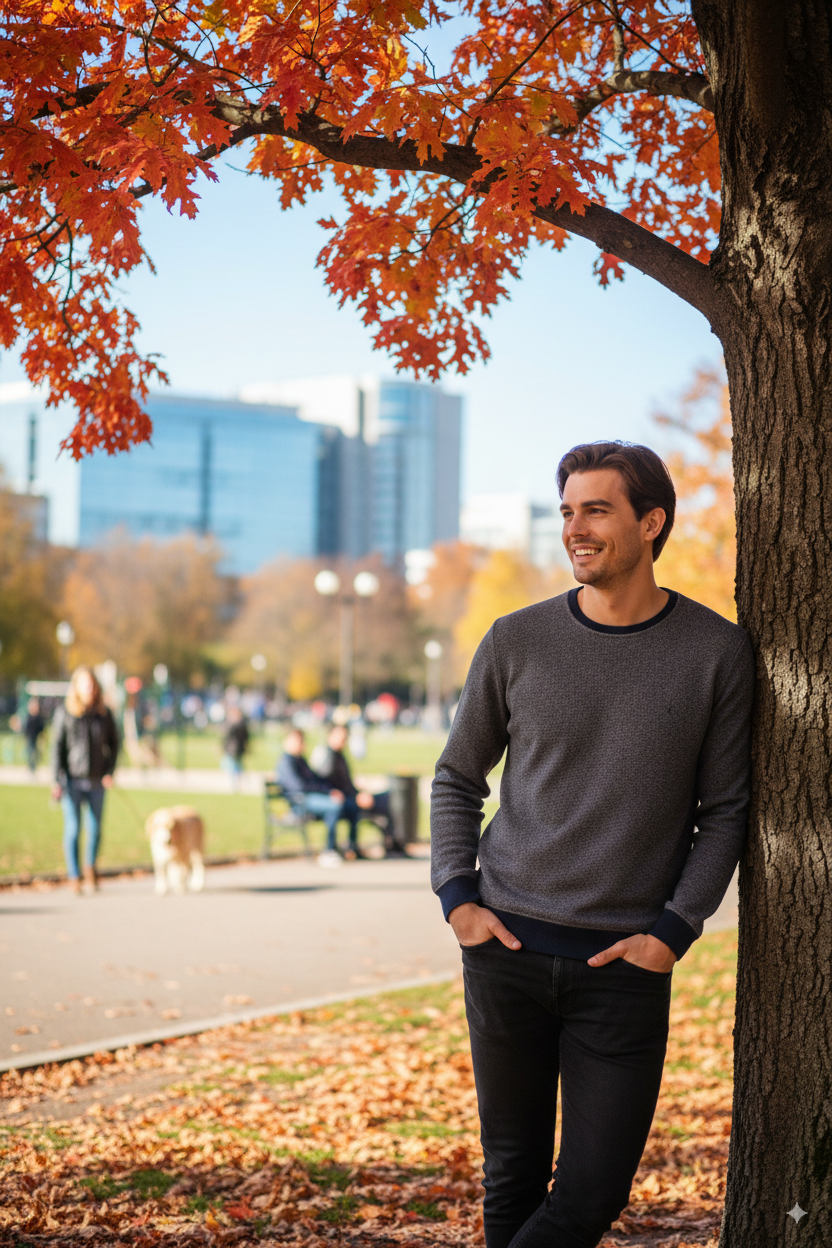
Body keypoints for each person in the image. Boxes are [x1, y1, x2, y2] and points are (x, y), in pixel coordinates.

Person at [431, 441, 755, 1248]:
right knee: (510, 1178)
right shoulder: (516, 639)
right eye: (569, 510)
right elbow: (455, 778)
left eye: (597, 510)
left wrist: (675, 929)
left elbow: (726, 810)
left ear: (652, 522)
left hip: (623, 968)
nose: (575, 528)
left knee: (589, 1195)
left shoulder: (716, 652)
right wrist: (457, 898)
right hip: (503, 949)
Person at [51, 667, 120, 896]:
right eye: (84, 683)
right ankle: (74, 875)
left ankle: (90, 868)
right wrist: (56, 779)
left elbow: (114, 744)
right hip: (71, 780)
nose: (89, 688)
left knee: (96, 829)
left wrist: (110, 770)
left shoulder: (104, 713)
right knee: (73, 829)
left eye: (92, 684)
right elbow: (56, 748)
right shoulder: (66, 712)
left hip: (97, 780)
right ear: (76, 687)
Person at [276, 728, 356, 866]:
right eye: (297, 741)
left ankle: (348, 847)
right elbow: (299, 786)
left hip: (308, 799)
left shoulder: (300, 760)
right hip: (300, 803)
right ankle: (328, 850)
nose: (300, 745)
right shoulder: (286, 762)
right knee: (334, 806)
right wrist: (326, 793)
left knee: (349, 805)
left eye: (301, 741)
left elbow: (315, 779)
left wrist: (331, 791)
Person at [310, 724, 391, 859]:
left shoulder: (340, 756)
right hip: (332, 798)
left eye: (345, 736)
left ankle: (355, 847)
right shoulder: (325, 755)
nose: (343, 739)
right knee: (349, 806)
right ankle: (336, 849)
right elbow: (320, 780)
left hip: (344, 796)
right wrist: (333, 792)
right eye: (340, 736)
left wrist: (359, 793)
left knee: (382, 799)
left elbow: (346, 783)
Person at [222, 705, 250, 790]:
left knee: (233, 765)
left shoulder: (236, 725)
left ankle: (235, 783)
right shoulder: (242, 724)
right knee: (235, 765)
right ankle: (236, 782)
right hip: (236, 748)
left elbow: (226, 736)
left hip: (233, 749)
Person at [23, 698, 45, 773]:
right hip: (30, 738)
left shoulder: (38, 718)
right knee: (30, 752)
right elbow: (25, 728)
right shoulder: (29, 717)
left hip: (36, 738)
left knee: (35, 753)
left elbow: (41, 728)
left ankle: (34, 767)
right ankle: (31, 767)